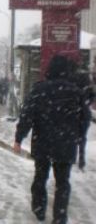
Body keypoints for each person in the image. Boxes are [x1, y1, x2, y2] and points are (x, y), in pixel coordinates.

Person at [13, 55, 88, 224]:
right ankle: (59, 217)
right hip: (66, 145)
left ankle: (39, 209)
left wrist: (19, 138)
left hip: (43, 144)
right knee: (63, 183)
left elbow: (27, 116)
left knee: (40, 177)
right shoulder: (75, 92)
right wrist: (79, 141)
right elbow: (84, 119)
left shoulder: (39, 89)